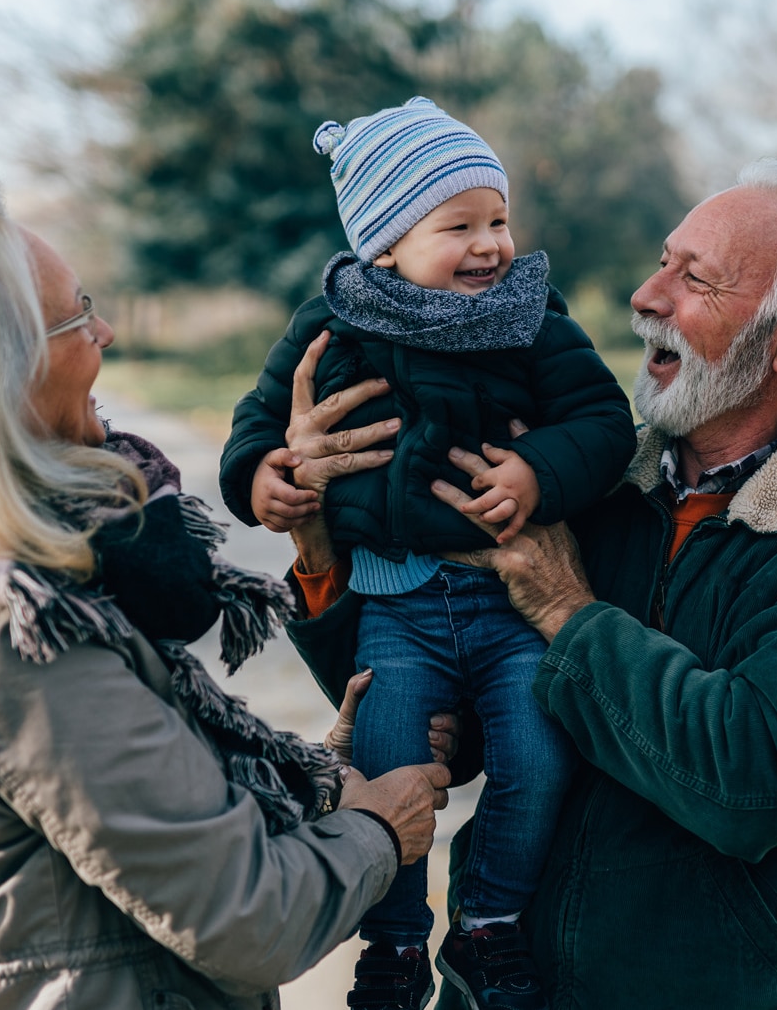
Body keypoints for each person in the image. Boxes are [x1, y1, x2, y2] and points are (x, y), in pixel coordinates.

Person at [279, 158, 777, 1008]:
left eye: (695, 280)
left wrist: (571, 612)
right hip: (503, 990)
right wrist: (319, 537)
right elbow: (435, 681)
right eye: (663, 260)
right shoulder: (579, 482)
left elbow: (746, 780)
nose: (646, 295)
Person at [0, 165, 453, 1010]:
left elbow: (133, 821)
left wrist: (315, 777)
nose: (107, 331)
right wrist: (378, 828)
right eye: (76, 317)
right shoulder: (19, 641)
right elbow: (253, 914)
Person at [218, 97, 636, 1010]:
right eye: (459, 225)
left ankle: (487, 923)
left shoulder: (534, 319)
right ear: (385, 244)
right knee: (390, 766)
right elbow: (255, 423)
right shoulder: (332, 325)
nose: (491, 244)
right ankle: (396, 942)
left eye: (499, 219)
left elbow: (604, 423)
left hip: (510, 605)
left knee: (538, 752)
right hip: (395, 607)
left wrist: (535, 469)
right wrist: (265, 478)